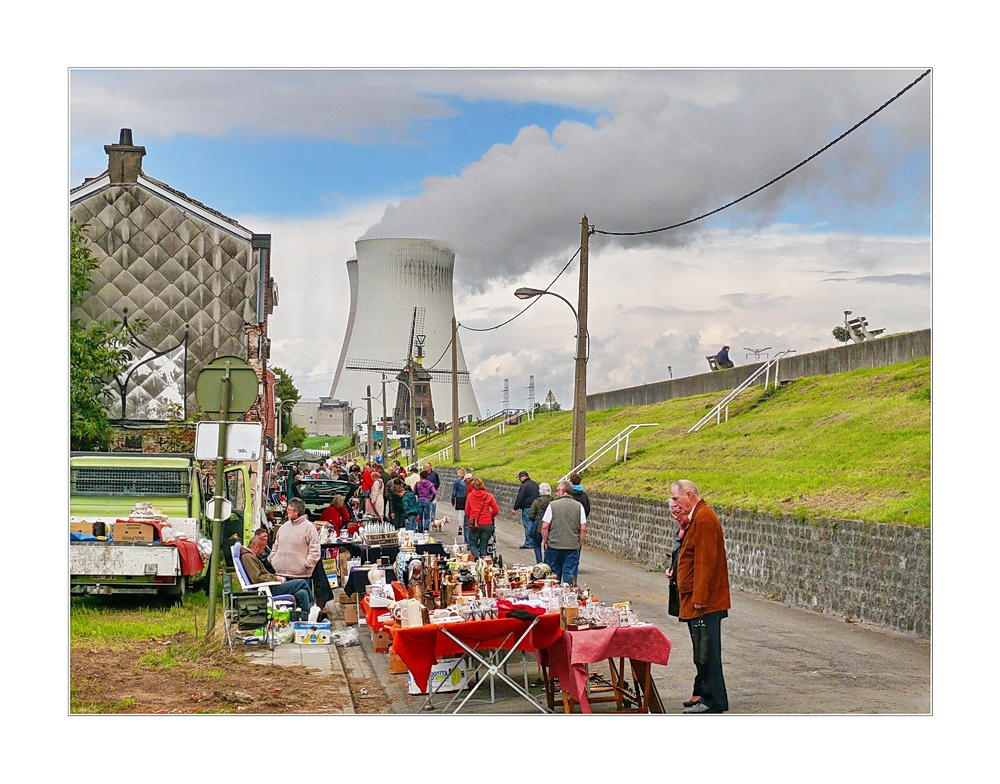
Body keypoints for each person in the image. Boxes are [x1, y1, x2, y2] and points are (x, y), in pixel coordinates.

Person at [670, 479, 730, 714]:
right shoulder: (699, 517)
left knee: (707, 652)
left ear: (688, 495)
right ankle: (705, 694)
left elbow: (706, 561)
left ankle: (712, 699)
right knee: (702, 651)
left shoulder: (703, 518)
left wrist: (700, 597)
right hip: (699, 598)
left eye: (676, 499)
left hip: (705, 602)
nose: (674, 504)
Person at [239, 533, 314, 611]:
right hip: (267, 589)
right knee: (302, 582)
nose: (263, 552)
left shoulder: (249, 557)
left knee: (303, 593)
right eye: (263, 548)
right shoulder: (248, 558)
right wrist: (275, 578)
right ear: (256, 547)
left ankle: (307, 617)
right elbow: (257, 578)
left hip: (268, 587)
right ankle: (315, 608)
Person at [540, 480, 586, 584]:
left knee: (552, 578)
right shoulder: (579, 506)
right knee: (569, 577)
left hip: (554, 546)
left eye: (557, 490)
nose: (556, 493)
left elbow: (545, 527)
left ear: (562, 491)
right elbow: (583, 528)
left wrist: (546, 541)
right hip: (571, 546)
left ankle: (552, 598)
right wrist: (579, 543)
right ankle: (568, 596)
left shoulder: (552, 505)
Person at [269, 498, 322, 584]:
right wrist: (272, 559)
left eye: (289, 510)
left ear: (297, 512)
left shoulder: (309, 528)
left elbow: (315, 550)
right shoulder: (284, 527)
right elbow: (276, 545)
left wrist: (306, 565)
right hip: (280, 574)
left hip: (300, 576)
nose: (287, 511)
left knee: (302, 595)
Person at [463, 477, 499, 559]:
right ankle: (485, 560)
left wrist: (471, 518)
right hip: (487, 523)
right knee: (484, 545)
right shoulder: (489, 496)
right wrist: (490, 516)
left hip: (475, 523)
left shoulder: (470, 496)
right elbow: (495, 510)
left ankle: (477, 559)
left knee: (473, 544)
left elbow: (467, 511)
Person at [513, 470, 540, 549]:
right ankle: (535, 542)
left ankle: (529, 543)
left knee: (528, 524)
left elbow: (520, 497)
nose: (520, 479)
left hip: (527, 508)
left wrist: (515, 508)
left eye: (520, 477)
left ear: (523, 476)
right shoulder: (535, 484)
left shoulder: (524, 486)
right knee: (534, 525)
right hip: (536, 508)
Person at [526, 482, 552, 564]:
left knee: (537, 545)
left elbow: (531, 515)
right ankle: (547, 562)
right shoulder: (553, 502)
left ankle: (539, 562)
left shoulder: (536, 502)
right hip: (549, 527)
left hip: (538, 527)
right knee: (547, 545)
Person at [451, 468, 469, 544]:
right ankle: (466, 524)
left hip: (459, 498)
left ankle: (460, 526)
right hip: (466, 498)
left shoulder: (457, 481)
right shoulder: (466, 482)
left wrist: (452, 500)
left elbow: (454, 491)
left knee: (460, 513)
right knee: (467, 513)